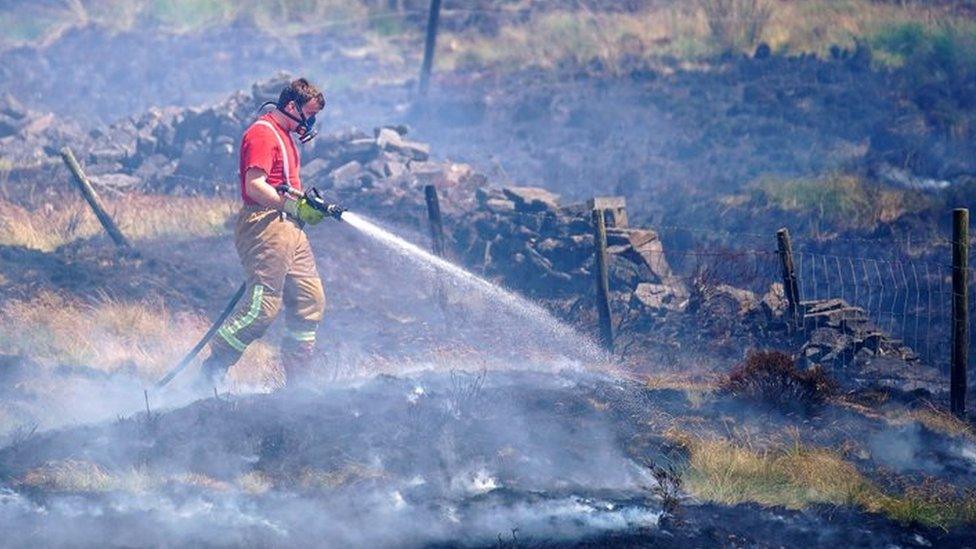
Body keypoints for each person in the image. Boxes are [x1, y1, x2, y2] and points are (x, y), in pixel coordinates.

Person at [199, 77, 329, 389]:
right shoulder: (262, 133)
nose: (310, 122)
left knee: (310, 300)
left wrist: (307, 205)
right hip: (265, 223)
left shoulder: (285, 137)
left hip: (289, 227)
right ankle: (213, 369)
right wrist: (293, 206)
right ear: (291, 106)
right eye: (308, 114)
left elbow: (283, 185)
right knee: (263, 309)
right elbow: (254, 186)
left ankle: (299, 386)